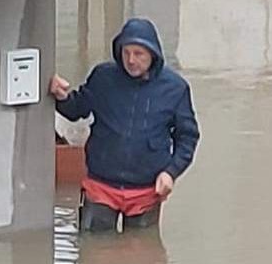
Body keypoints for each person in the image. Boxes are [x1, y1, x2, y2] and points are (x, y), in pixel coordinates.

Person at [49, 18, 200, 231]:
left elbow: (188, 137)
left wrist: (171, 173)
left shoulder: (175, 89)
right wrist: (59, 95)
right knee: (93, 252)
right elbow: (76, 109)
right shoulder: (103, 77)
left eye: (138, 54)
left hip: (147, 191)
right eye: (126, 52)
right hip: (100, 186)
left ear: (153, 55)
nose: (131, 60)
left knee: (142, 255)